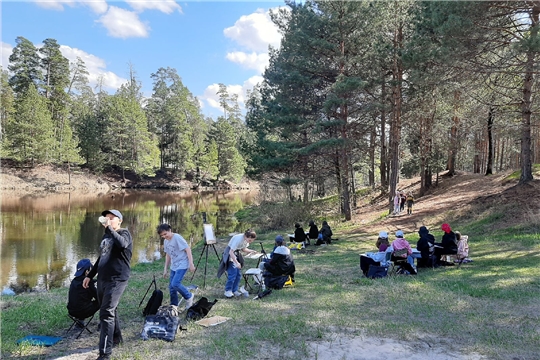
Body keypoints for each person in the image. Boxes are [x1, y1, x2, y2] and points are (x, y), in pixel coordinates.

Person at [83, 210, 132, 360]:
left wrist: (109, 228)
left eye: (112, 218)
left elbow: (122, 244)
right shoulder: (106, 236)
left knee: (105, 313)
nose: (108, 220)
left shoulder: (125, 233)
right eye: (107, 218)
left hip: (117, 279)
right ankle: (117, 338)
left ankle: (105, 354)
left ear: (120, 221)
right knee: (110, 310)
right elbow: (102, 257)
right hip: (103, 279)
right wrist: (90, 276)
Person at [157, 223, 195, 310]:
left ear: (170, 230)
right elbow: (168, 255)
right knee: (171, 287)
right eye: (162, 235)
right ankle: (174, 305)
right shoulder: (166, 241)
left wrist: (191, 263)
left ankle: (189, 296)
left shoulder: (177, 237)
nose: (164, 236)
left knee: (175, 283)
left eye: (165, 234)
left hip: (182, 264)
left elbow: (187, 249)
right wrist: (165, 269)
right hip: (174, 265)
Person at [217, 229, 257, 298]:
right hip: (230, 254)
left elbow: (243, 249)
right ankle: (228, 290)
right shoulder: (238, 239)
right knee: (233, 273)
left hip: (236, 253)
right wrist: (237, 262)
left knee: (238, 275)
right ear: (246, 236)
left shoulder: (245, 239)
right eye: (250, 240)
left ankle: (234, 290)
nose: (250, 242)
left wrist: (252, 251)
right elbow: (230, 252)